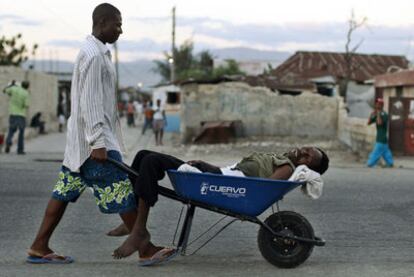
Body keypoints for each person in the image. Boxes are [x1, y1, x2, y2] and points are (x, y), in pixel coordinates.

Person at [27, 3, 141, 264]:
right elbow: (89, 103)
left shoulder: (99, 53)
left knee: (63, 192)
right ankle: (145, 246)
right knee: (120, 189)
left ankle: (39, 245)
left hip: (82, 145)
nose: (120, 30)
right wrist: (98, 142)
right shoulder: (92, 54)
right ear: (101, 23)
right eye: (117, 24)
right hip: (93, 144)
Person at [111, 147, 329, 265]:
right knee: (143, 156)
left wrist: (210, 172)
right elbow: (235, 171)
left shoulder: (287, 167)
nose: (303, 152)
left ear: (307, 166)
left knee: (149, 162)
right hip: (217, 176)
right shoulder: (281, 157)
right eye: (308, 149)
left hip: (216, 182)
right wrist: (210, 167)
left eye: (309, 158)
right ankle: (132, 215)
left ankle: (138, 229)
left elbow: (263, 187)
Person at [3, 80, 30, 155]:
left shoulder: (14, 89)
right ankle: (20, 149)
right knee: (21, 132)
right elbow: (26, 105)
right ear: (27, 86)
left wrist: (11, 85)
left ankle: (8, 143)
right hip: (21, 115)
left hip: (13, 113)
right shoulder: (26, 93)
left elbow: (4, 90)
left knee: (11, 130)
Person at [367, 98, 394, 168]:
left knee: (376, 151)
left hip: (381, 138)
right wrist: (372, 114)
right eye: (376, 104)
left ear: (382, 105)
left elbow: (379, 123)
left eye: (378, 104)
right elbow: (369, 123)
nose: (377, 105)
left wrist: (378, 113)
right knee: (385, 152)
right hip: (381, 138)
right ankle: (390, 163)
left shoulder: (384, 114)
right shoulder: (376, 114)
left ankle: (370, 163)